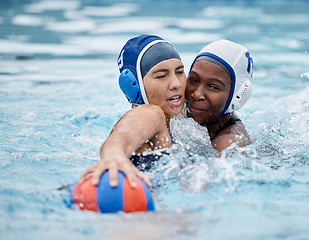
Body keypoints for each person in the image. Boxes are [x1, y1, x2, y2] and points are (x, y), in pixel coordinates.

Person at [80, 36, 254, 188]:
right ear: (134, 86)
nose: (177, 84)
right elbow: (122, 136)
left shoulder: (185, 119)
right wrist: (114, 155)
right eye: (161, 76)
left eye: (179, 72)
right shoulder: (151, 113)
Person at [185, 39, 253, 151]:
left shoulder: (230, 143)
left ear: (238, 95)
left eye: (213, 87)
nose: (197, 94)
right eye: (194, 80)